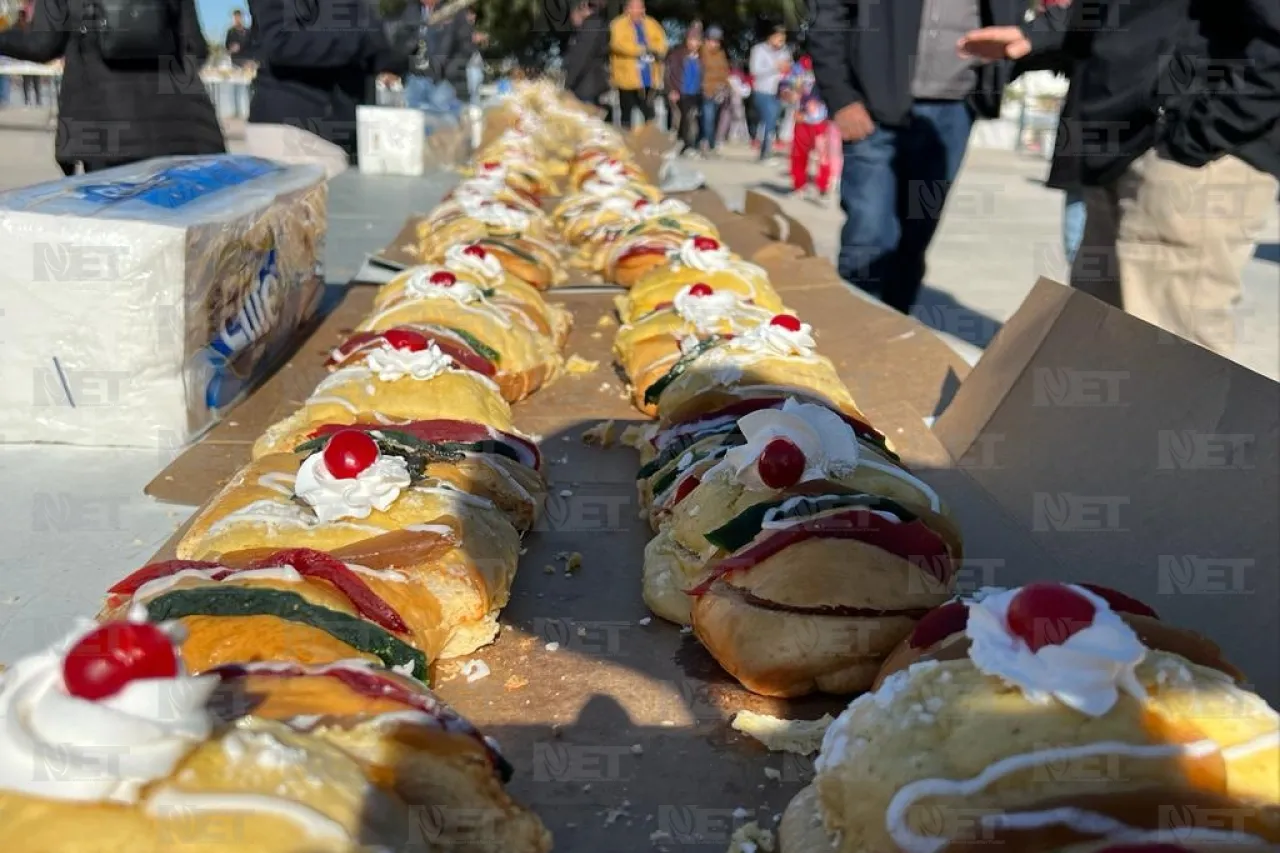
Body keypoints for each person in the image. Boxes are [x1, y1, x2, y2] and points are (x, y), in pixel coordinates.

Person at [960, 0, 1280, 357]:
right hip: (1120, 143)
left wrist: (1201, 133)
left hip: (1187, 157)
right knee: (1100, 341)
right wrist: (1038, 35)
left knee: (1172, 354)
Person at [811, 0, 1021, 314]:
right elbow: (827, 15)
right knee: (868, 237)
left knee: (915, 238)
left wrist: (994, 83)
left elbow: (1018, 24)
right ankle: (850, 336)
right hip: (872, 110)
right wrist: (841, 98)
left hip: (953, 111)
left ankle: (892, 337)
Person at [0, 0, 225, 174]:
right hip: (178, 131)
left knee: (117, 227)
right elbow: (196, 48)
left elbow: (41, 44)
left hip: (102, 131)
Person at [247, 0, 402, 175]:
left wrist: (395, 50)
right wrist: (360, 38)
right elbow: (281, 41)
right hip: (295, 135)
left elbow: (373, 46)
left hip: (343, 136)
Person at [402, 0, 473, 124]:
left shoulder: (453, 11)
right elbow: (401, 41)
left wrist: (450, 71)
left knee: (443, 128)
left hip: (443, 81)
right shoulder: (411, 10)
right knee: (413, 126)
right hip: (415, 79)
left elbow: (466, 47)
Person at [609, 0, 666, 129]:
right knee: (626, 111)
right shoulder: (618, 24)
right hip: (627, 77)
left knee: (649, 111)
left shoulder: (651, 24)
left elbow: (661, 42)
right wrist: (640, 49)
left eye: (641, 7)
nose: (639, 10)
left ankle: (649, 140)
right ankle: (626, 138)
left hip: (648, 77)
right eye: (635, 7)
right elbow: (617, 44)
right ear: (627, 9)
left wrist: (654, 49)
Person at [789, 57, 833, 202]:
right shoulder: (800, 65)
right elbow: (787, 87)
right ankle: (799, 185)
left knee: (823, 154)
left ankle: (823, 187)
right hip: (802, 119)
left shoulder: (831, 64)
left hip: (821, 120)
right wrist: (791, 94)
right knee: (798, 153)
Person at [749, 25, 791, 161]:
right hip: (762, 90)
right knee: (769, 119)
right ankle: (765, 152)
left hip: (779, 92)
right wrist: (774, 67)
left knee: (772, 121)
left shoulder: (785, 52)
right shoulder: (758, 50)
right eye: (779, 38)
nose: (781, 42)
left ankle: (765, 150)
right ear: (771, 36)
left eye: (783, 39)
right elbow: (754, 70)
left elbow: (789, 69)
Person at [563, 0, 610, 111]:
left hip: (585, 88)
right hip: (587, 86)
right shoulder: (594, 25)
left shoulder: (591, 25)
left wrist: (568, 85)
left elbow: (581, 57)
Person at [664, 23, 702, 154]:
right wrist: (671, 90)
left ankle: (687, 145)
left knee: (690, 119)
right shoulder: (677, 55)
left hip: (695, 92)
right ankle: (681, 144)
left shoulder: (700, 58)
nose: (694, 43)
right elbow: (668, 74)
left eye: (697, 40)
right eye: (691, 39)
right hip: (680, 91)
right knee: (680, 119)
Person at [700, 25, 730, 155]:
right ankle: (707, 143)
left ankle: (710, 142)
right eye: (713, 40)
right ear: (706, 40)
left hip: (719, 92)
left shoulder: (721, 54)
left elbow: (724, 71)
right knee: (708, 117)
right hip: (706, 90)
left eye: (717, 41)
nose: (715, 43)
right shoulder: (701, 53)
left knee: (716, 118)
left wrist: (725, 84)